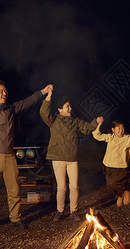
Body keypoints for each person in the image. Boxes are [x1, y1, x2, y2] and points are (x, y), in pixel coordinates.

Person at [0, 61, 53, 233]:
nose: (4, 93)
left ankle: (15, 218)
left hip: (9, 156)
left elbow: (28, 101)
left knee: (15, 189)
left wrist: (42, 92)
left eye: (5, 91)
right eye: (0, 91)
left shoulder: (11, 108)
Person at [40, 86, 101, 222]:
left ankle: (73, 211)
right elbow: (44, 112)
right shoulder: (54, 121)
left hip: (72, 159)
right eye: (67, 106)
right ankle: (60, 211)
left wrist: (95, 122)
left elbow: (86, 128)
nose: (70, 108)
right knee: (61, 187)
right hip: (58, 158)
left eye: (70, 106)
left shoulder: (75, 122)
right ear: (60, 109)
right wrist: (48, 96)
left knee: (74, 186)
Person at [92, 118, 130, 207]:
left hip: (120, 167)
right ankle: (120, 195)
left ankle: (126, 192)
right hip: (108, 166)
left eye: (122, 128)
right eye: (118, 128)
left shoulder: (126, 139)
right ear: (113, 130)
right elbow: (97, 135)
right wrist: (99, 124)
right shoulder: (110, 137)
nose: (121, 130)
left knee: (114, 183)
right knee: (109, 186)